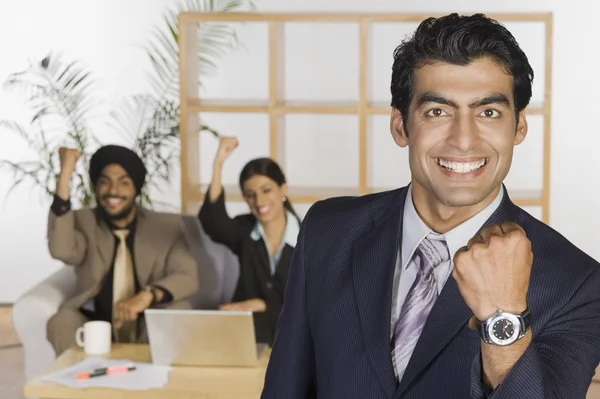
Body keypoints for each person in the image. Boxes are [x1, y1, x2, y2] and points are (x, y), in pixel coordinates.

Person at [261, 13, 600, 398]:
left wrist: (504, 314)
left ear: (518, 128)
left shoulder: (578, 284)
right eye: (437, 111)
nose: (463, 140)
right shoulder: (327, 230)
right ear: (401, 126)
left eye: (488, 112)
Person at [46, 145, 198, 355]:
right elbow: (61, 250)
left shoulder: (166, 226)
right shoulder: (83, 222)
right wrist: (64, 176)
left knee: (179, 311)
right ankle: (80, 383)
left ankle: (156, 382)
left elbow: (188, 276)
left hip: (147, 321)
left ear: (136, 188)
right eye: (104, 182)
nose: (113, 191)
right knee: (61, 321)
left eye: (123, 183)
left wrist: (147, 296)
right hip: (96, 322)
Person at [198, 136, 301, 346]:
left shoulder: (310, 237)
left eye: (266, 190)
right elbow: (212, 223)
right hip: (243, 336)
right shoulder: (245, 230)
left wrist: (263, 304)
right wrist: (218, 164)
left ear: (283, 189)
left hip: (291, 338)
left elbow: (313, 305)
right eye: (250, 195)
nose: (259, 202)